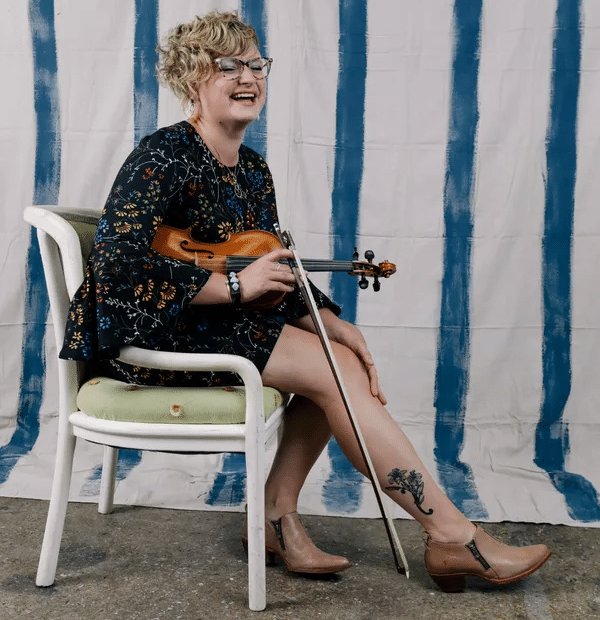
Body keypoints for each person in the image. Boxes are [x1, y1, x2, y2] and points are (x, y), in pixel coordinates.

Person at [61, 10, 550, 591]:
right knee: (332, 372)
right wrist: (234, 288)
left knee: (338, 359)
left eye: (255, 65)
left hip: (216, 328)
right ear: (193, 77)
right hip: (153, 336)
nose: (248, 77)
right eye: (228, 66)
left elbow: (270, 262)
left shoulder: (253, 171)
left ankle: (276, 515)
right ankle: (451, 536)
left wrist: (333, 322)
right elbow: (115, 266)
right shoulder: (163, 153)